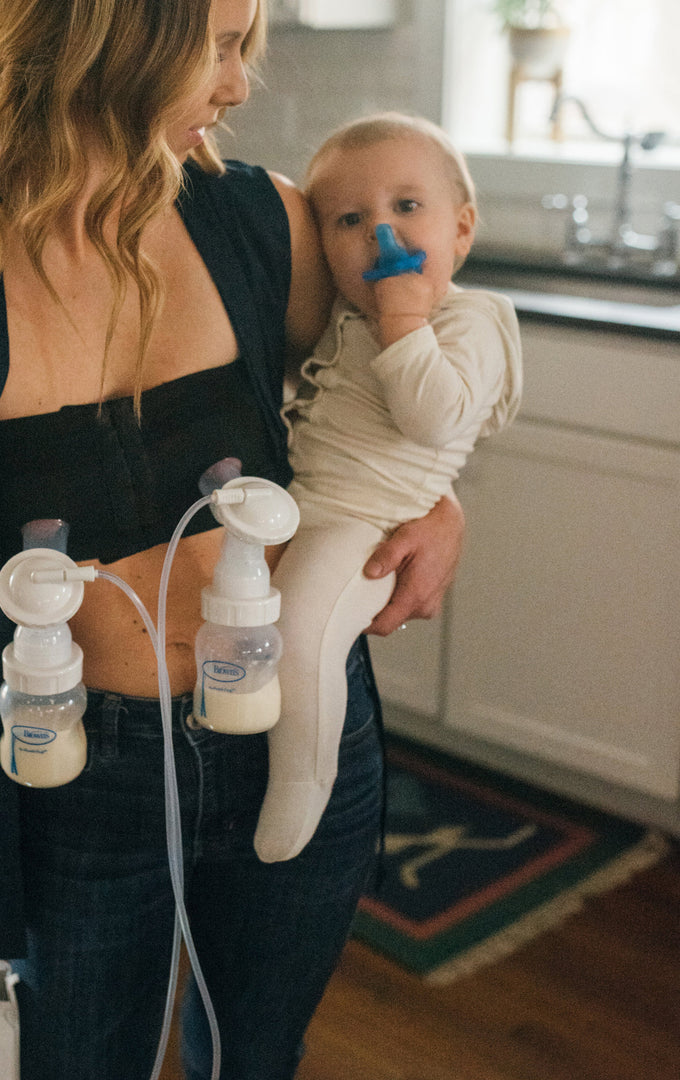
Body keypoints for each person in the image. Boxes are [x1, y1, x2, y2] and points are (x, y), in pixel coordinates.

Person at [0, 4, 465, 1077]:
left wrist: (442, 504)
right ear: (110, 35)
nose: (237, 87)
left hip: (299, 727)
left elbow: (385, 397)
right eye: (217, 48)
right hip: (73, 771)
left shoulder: (262, 217)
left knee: (253, 1058)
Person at [253, 113, 522, 864]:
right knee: (263, 617)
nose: (382, 233)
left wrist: (404, 318)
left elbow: (434, 419)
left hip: (369, 525)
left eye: (407, 207)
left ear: (461, 231)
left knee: (300, 633)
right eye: (350, 219)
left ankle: (302, 786)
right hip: (309, 504)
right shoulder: (347, 314)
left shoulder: (472, 320)